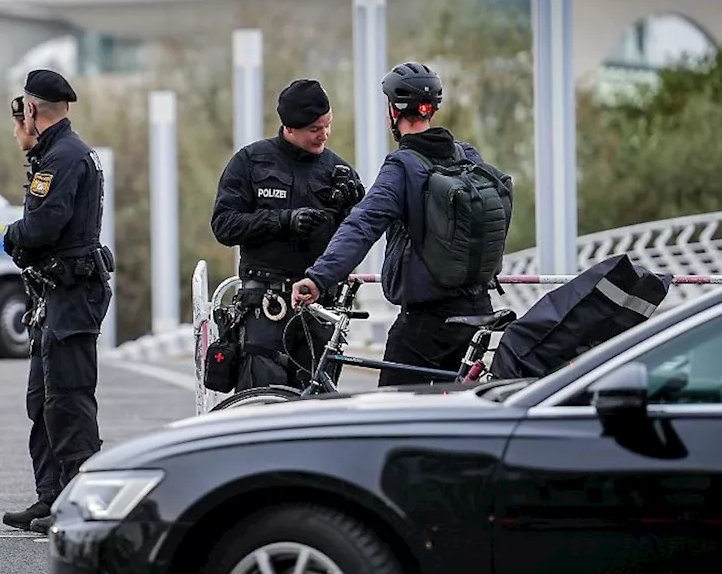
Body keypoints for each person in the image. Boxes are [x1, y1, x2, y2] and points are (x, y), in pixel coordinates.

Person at [291, 62, 514, 387]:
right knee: (455, 414)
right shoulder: (467, 156)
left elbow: (363, 224)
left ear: (393, 111)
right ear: (432, 109)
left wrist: (318, 277)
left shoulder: (403, 166)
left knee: (390, 417)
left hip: (427, 322)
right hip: (479, 308)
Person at [0, 69, 114, 535]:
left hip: (71, 294)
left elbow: (45, 227)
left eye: (19, 114)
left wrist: (12, 236)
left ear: (30, 110)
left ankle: (78, 503)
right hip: (55, 294)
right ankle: (50, 498)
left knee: (68, 400)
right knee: (44, 399)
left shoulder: (63, 157)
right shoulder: (59, 153)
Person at [210, 79, 365, 391]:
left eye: (327, 125)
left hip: (320, 308)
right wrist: (283, 221)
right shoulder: (251, 162)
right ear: (290, 128)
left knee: (316, 410)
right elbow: (224, 225)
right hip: (266, 305)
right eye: (314, 129)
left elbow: (353, 243)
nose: (324, 135)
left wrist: (350, 212)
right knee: (262, 404)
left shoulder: (339, 172)